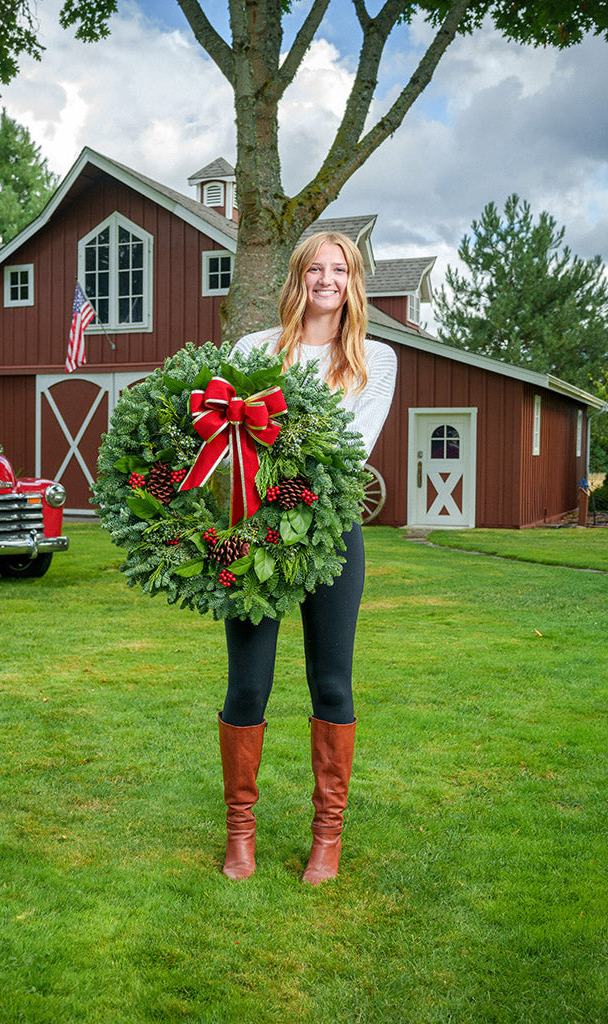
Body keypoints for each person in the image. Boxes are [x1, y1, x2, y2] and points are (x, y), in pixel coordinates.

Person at [217, 231, 397, 884]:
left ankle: (328, 836)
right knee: (247, 684)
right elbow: (228, 441)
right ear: (298, 278)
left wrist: (274, 440)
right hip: (256, 535)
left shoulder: (375, 360)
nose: (327, 279)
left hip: (331, 534)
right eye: (316, 268)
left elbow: (349, 451)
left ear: (353, 282)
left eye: (339, 269)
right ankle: (241, 834)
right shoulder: (252, 351)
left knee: (332, 683)